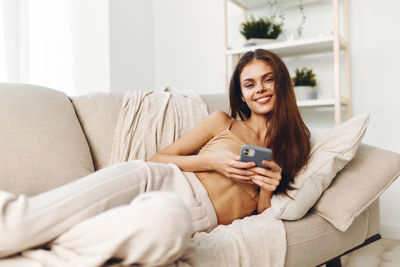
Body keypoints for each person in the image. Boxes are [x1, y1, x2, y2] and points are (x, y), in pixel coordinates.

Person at [0, 49, 310, 266]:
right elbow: (159, 157)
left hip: (190, 216)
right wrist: (212, 162)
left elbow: (261, 216)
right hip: (155, 178)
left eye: (268, 79)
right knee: (32, 217)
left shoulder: (292, 148)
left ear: (281, 83)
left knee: (164, 227)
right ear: (241, 94)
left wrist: (268, 185)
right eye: (250, 83)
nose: (260, 89)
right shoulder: (222, 123)